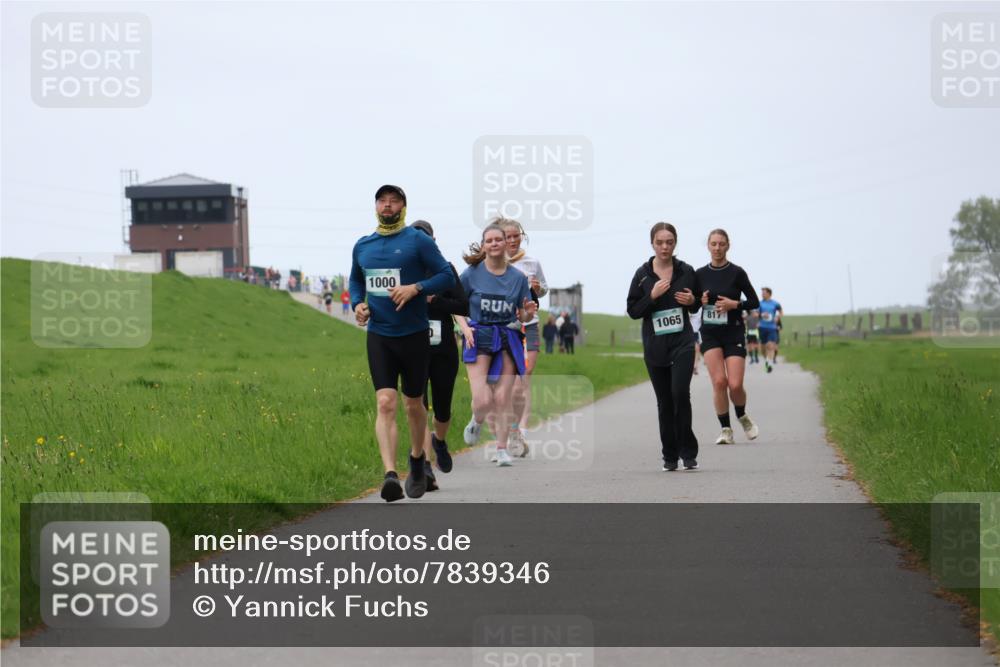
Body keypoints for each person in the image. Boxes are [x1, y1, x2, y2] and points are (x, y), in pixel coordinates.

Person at [349, 184, 455, 502]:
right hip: (380, 334)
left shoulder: (417, 241)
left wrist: (416, 288)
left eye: (394, 201)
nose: (387, 205)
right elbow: (356, 279)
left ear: (403, 207)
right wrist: (358, 304)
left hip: (413, 335)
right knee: (385, 402)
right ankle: (390, 475)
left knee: (413, 404)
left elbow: (446, 275)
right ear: (375, 206)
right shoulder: (363, 245)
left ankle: (417, 459)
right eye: (382, 200)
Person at [456, 222, 536, 467]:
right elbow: (456, 305)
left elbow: (523, 316)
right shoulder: (471, 274)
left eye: (498, 240)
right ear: (483, 246)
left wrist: (527, 312)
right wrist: (464, 328)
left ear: (505, 244)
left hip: (507, 336)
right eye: (489, 240)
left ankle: (502, 449)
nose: (494, 244)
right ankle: (476, 420)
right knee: (483, 400)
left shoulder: (518, 278)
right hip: (478, 336)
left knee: (503, 397)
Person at [626, 222, 702, 471]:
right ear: (652, 244)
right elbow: (633, 310)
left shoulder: (686, 271)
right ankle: (669, 456)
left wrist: (692, 301)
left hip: (683, 342)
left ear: (675, 243)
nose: (664, 247)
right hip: (655, 346)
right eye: (659, 242)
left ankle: (688, 452)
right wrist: (652, 297)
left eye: (669, 242)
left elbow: (698, 303)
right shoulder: (642, 275)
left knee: (680, 394)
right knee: (665, 402)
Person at [410, 220, 468, 492]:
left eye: (425, 238)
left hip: (443, 348)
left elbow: (464, 306)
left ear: (433, 241)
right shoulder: (404, 271)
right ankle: (425, 467)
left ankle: (440, 441)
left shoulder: (445, 269)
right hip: (413, 347)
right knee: (419, 405)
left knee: (442, 409)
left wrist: (435, 300)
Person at [696, 229, 761, 445]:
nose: (717, 248)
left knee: (734, 385)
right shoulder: (699, 274)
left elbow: (754, 302)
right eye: (713, 244)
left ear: (728, 245)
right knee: (719, 382)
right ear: (708, 246)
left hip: (733, 331)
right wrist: (699, 301)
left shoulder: (737, 273)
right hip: (710, 332)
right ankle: (726, 429)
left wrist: (735, 304)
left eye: (721, 244)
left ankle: (742, 415)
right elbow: (693, 303)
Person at [499, 218, 548, 457]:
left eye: (516, 236)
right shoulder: (494, 262)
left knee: (524, 376)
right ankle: (510, 427)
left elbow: (544, 289)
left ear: (522, 236)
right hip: (507, 326)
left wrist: (538, 289)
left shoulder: (532, 262)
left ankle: (521, 429)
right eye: (507, 236)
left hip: (530, 324)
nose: (512, 240)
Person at [758, 287, 783, 373]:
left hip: (772, 328)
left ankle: (769, 364)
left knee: (770, 345)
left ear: (769, 294)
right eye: (762, 293)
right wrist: (762, 315)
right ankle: (767, 361)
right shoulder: (760, 303)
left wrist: (777, 317)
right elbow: (755, 314)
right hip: (762, 327)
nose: (762, 294)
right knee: (763, 348)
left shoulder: (775, 304)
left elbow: (781, 312)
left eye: (764, 293)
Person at [690, 310, 702, 375]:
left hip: (696, 330)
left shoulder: (701, 309)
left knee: (697, 348)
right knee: (694, 348)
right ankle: (693, 366)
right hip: (690, 330)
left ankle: (695, 366)